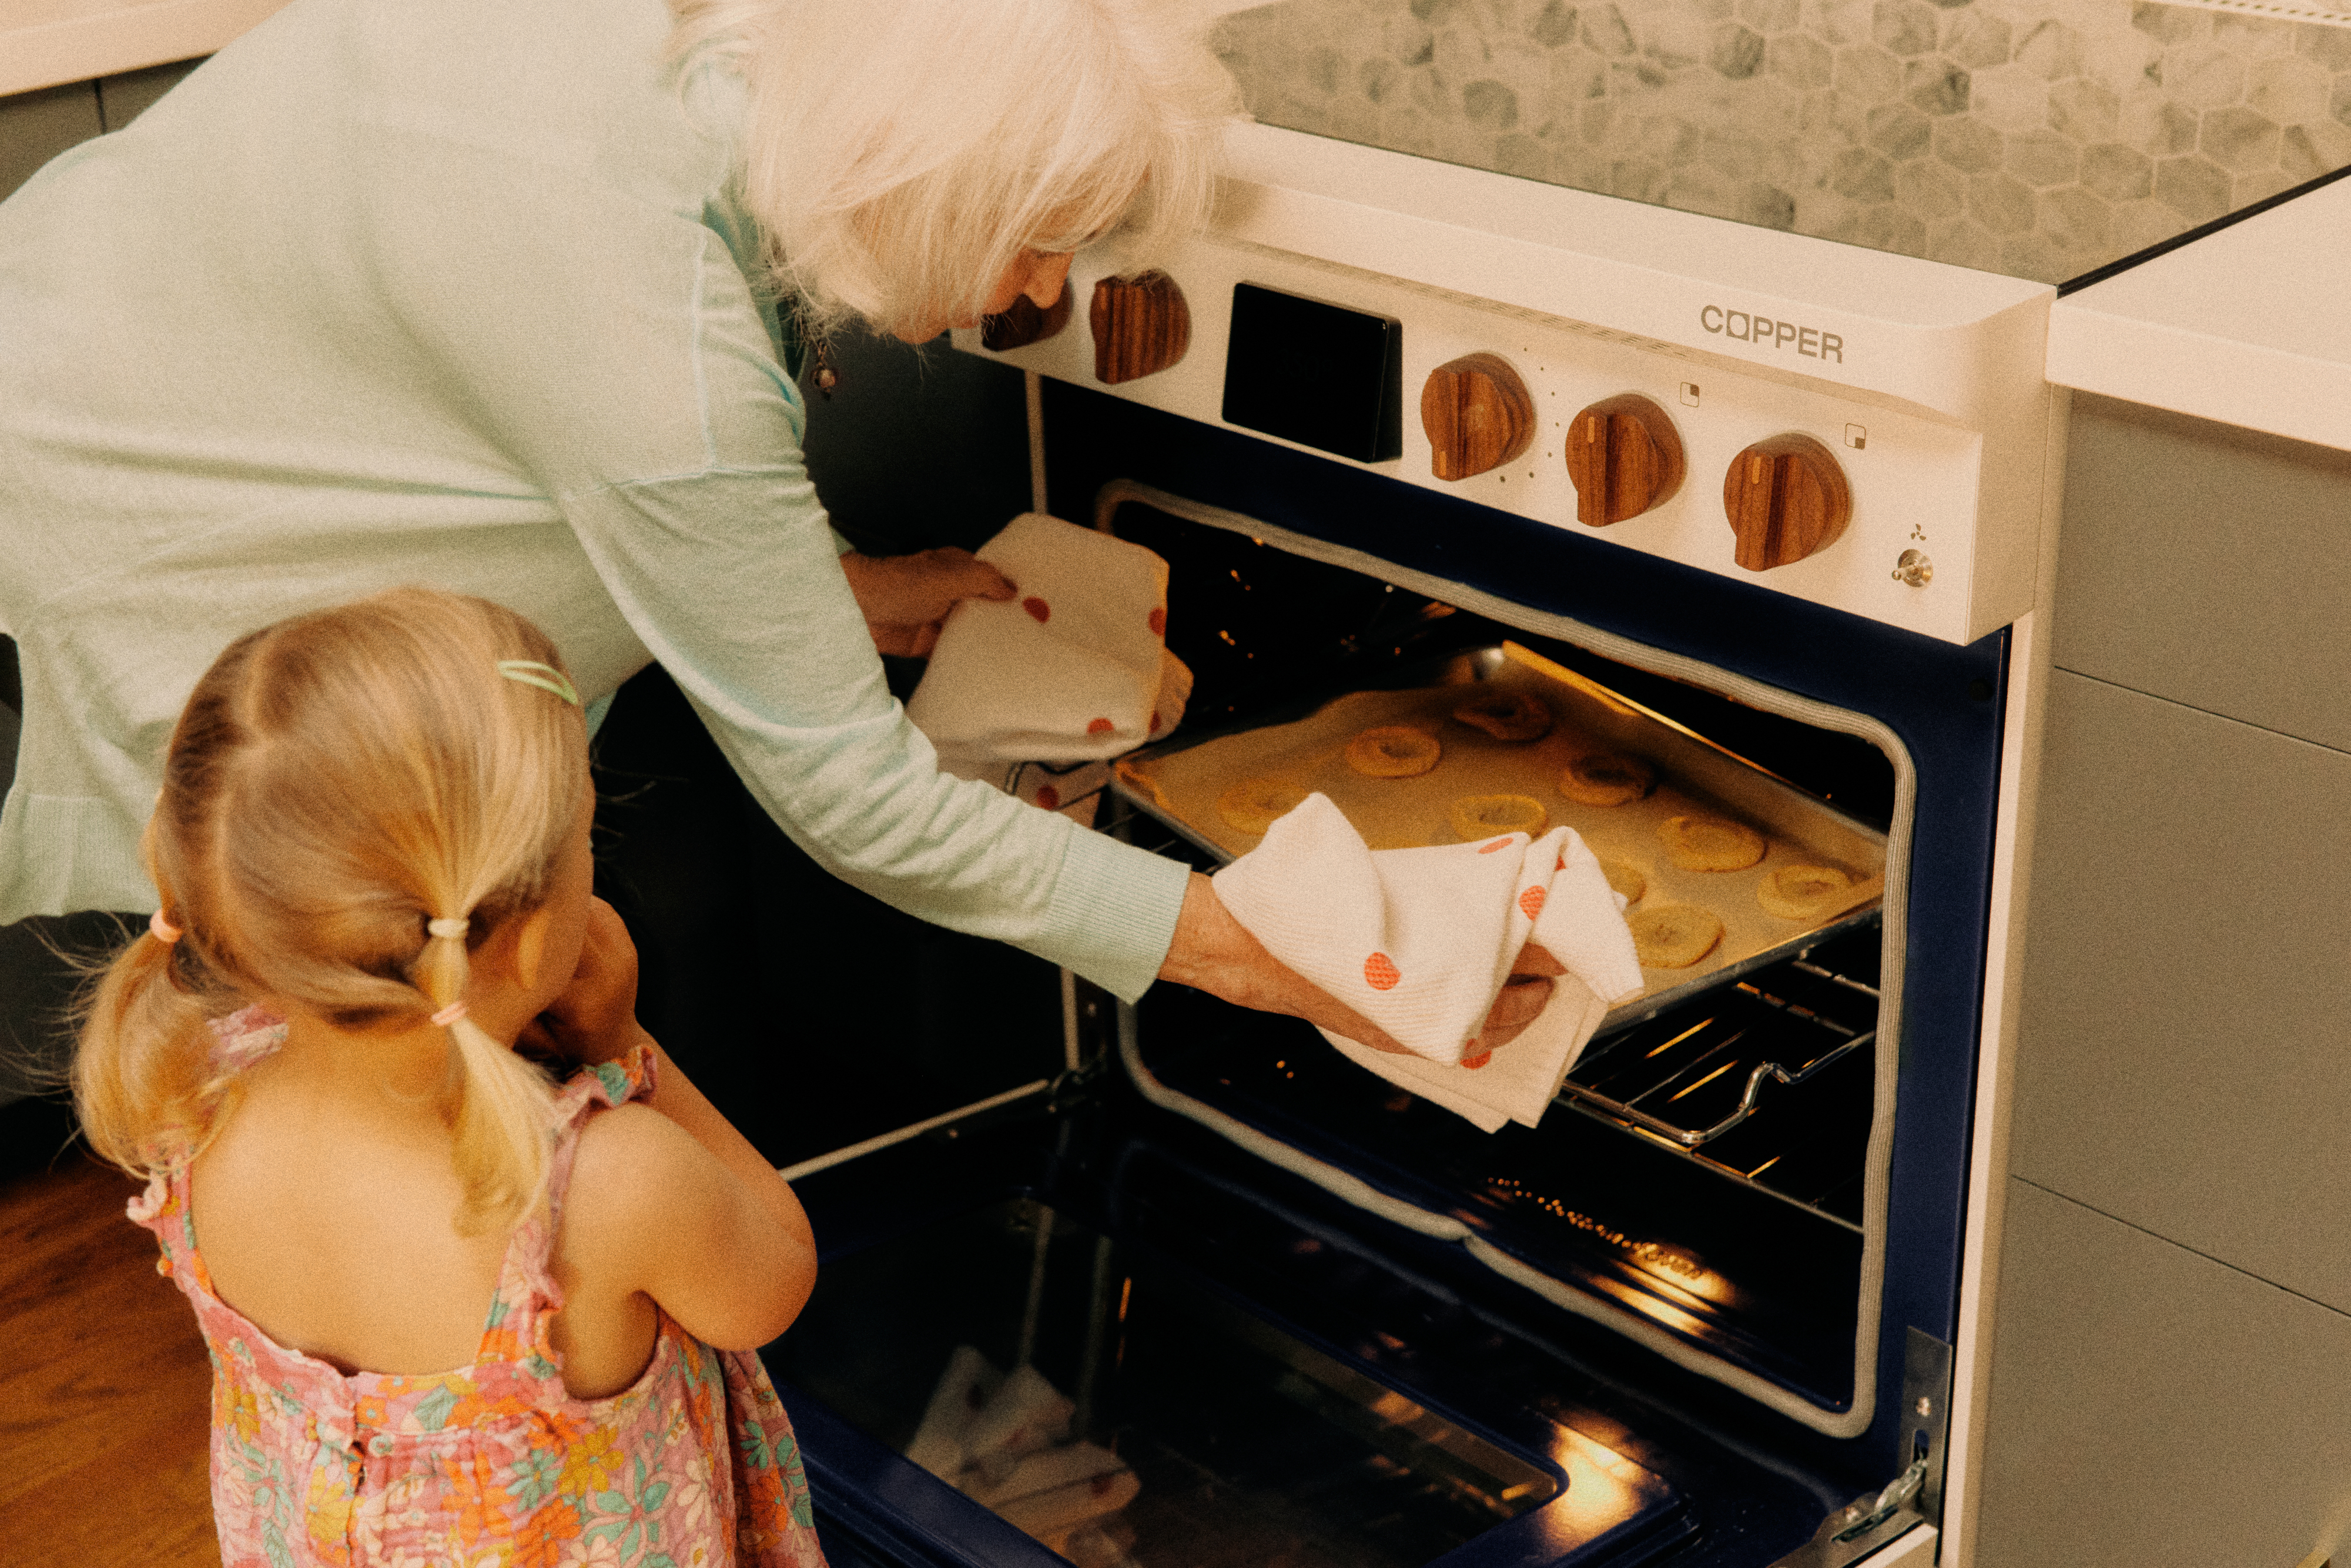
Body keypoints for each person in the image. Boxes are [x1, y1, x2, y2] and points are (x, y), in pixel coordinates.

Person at [0, 0, 1556, 1057]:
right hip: (85, 554)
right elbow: (860, 803)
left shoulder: (703, 51)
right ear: (923, 177)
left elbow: (500, 393)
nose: (1032, 294)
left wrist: (841, 587)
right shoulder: (652, 330)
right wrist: (1289, 956)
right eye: (1037, 241)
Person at [73, 587, 826, 1566]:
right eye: (583, 841)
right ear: (535, 938)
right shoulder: (606, 1187)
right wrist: (625, 1043)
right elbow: (774, 1276)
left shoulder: (196, 1092)